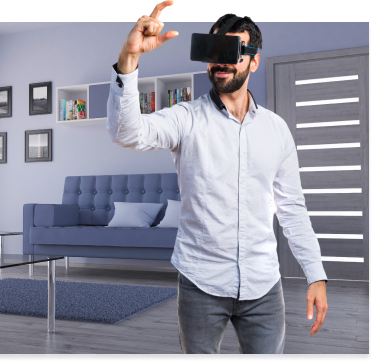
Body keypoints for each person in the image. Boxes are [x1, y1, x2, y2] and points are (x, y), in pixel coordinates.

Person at [107, 0, 329, 354]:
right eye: (214, 50)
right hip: (200, 282)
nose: (221, 60)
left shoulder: (277, 130)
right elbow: (126, 132)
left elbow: (293, 210)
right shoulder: (186, 118)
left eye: (233, 50)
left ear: (254, 59)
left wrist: (315, 274)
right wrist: (129, 60)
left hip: (263, 287)